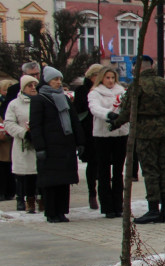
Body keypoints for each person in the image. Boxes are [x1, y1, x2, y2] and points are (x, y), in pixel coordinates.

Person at [109, 55, 165, 224]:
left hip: (146, 132)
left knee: (150, 170)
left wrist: (115, 123)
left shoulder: (136, 86)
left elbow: (127, 111)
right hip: (164, 131)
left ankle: (153, 209)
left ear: (138, 68)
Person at [30, 67, 84, 223]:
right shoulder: (39, 100)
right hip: (49, 146)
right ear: (47, 81)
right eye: (55, 79)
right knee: (51, 181)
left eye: (60, 79)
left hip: (65, 145)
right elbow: (36, 126)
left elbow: (74, 121)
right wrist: (39, 146)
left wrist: (80, 141)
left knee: (63, 181)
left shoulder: (64, 98)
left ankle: (61, 211)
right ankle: (51, 212)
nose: (58, 82)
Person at [88, 66, 129, 218]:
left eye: (112, 78)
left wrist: (121, 118)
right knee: (104, 172)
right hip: (102, 135)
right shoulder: (95, 92)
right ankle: (107, 206)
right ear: (102, 79)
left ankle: (118, 205)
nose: (110, 81)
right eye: (107, 78)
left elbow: (127, 108)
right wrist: (108, 114)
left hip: (120, 133)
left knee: (118, 171)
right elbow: (94, 108)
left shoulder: (122, 92)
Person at [3, 75, 39, 213]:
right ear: (23, 87)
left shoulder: (40, 101)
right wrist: (24, 133)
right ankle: (22, 199)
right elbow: (9, 123)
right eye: (30, 85)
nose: (33, 88)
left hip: (38, 142)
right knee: (23, 173)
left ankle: (38, 199)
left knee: (37, 173)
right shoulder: (14, 104)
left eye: (35, 85)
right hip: (23, 143)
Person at [74, 64, 105, 210]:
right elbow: (78, 110)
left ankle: (104, 194)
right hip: (89, 131)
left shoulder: (105, 90)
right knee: (92, 164)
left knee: (103, 164)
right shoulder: (82, 90)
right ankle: (92, 194)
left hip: (103, 130)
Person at [0, 79, 15, 201]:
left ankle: (9, 191)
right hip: (2, 139)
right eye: (5, 89)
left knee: (9, 166)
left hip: (9, 137)